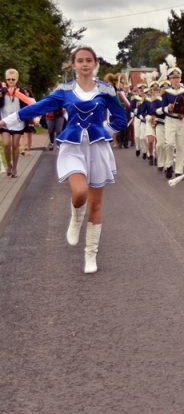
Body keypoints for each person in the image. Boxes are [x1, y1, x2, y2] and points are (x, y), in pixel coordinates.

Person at [0, 46, 127, 273]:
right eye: (80, 60)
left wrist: (104, 130)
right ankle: (76, 218)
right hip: (72, 147)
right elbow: (39, 106)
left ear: (95, 63)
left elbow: (121, 119)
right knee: (79, 193)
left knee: (96, 203)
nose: (85, 64)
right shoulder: (65, 90)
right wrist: (8, 121)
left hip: (97, 149)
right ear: (74, 64)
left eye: (89, 60)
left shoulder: (106, 89)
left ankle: (90, 255)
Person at [160, 55, 184, 180]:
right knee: (169, 144)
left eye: (177, 77)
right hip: (170, 120)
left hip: (182, 120)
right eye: (173, 78)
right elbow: (162, 108)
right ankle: (168, 165)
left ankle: (179, 170)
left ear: (180, 78)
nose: (175, 80)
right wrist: (167, 108)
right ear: (169, 79)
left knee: (180, 146)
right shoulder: (166, 92)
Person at [0, 69, 32, 177]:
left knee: (15, 145)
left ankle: (14, 168)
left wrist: (30, 119)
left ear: (17, 79)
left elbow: (27, 104)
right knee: (6, 144)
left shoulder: (21, 92)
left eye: (13, 79)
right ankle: (9, 164)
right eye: (8, 79)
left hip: (17, 122)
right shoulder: (2, 90)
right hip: (4, 121)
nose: (10, 81)